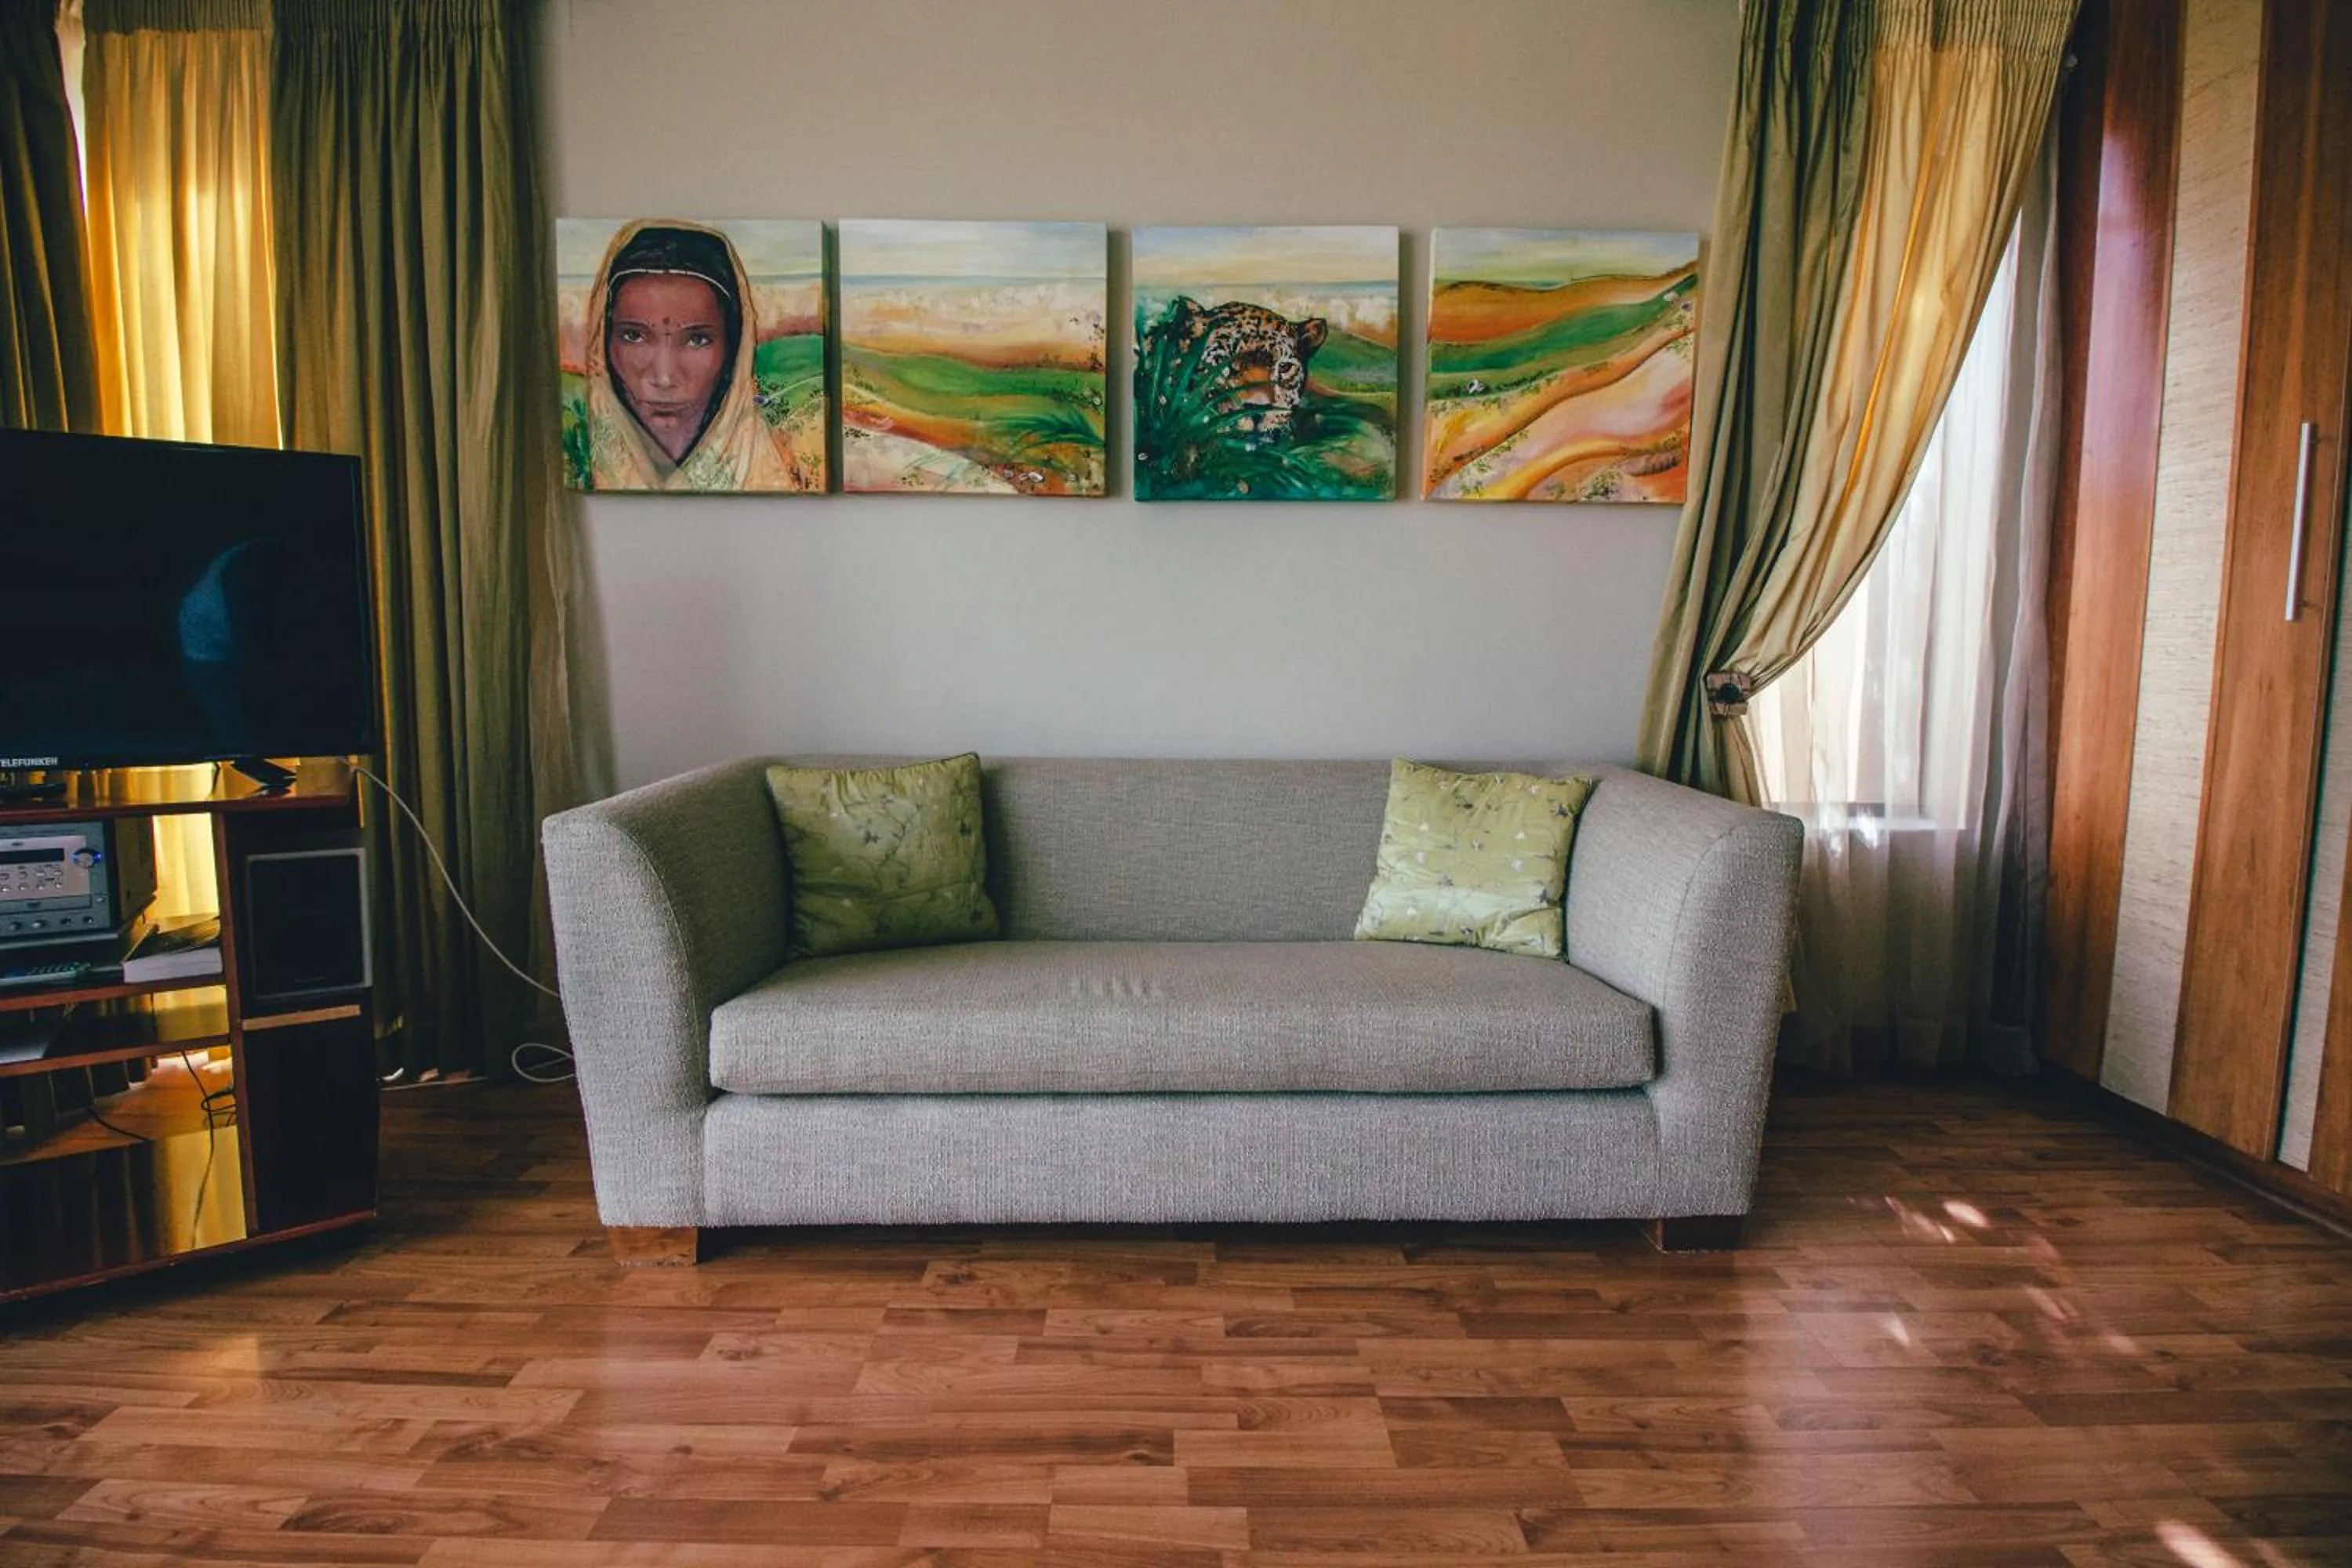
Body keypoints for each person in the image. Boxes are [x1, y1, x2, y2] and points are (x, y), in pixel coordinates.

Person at [574, 220, 793, 491]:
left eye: (696, 340)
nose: (664, 377)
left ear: (735, 349)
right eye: (634, 336)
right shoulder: (570, 458)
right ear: (603, 342)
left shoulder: (766, 478)